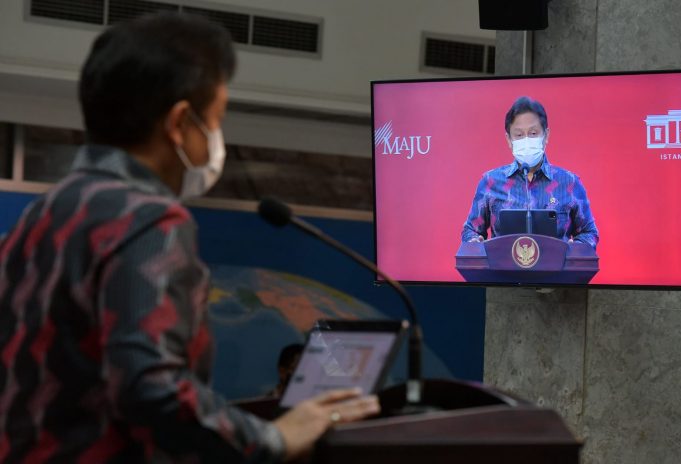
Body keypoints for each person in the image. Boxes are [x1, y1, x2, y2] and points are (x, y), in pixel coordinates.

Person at [0, 12, 378, 463]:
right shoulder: (147, 220)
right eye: (215, 120)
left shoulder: (42, 213)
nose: (216, 140)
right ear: (180, 123)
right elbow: (152, 390)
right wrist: (275, 438)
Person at [461, 96, 599, 248]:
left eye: (533, 133)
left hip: (556, 271)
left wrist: (578, 247)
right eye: (519, 135)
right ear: (508, 139)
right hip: (502, 271)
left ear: (546, 135)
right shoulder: (491, 182)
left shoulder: (569, 183)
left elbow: (589, 232)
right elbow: (471, 230)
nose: (526, 140)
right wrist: (474, 242)